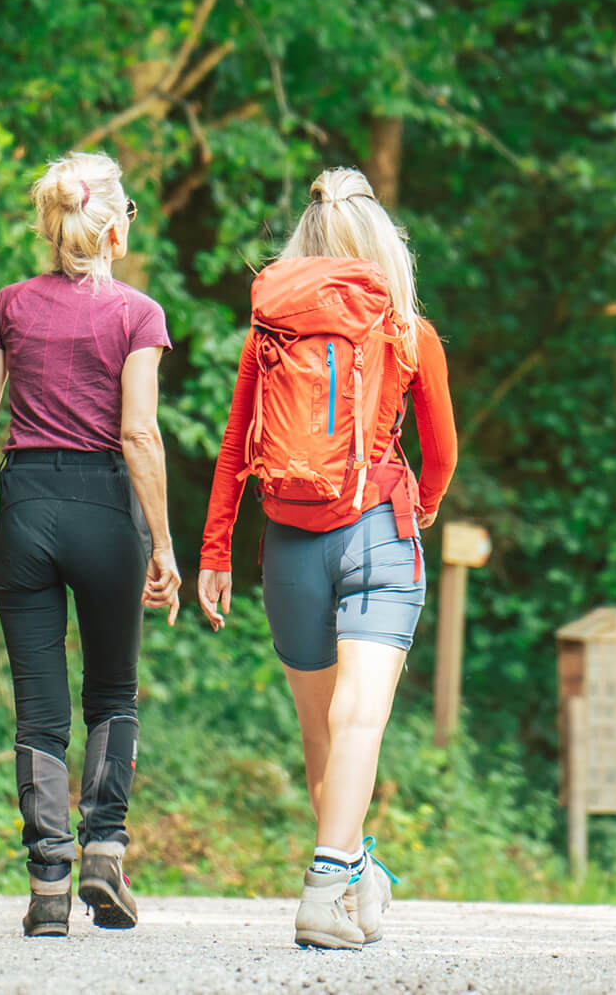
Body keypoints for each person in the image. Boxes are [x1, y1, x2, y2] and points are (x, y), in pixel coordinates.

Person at [0, 151, 182, 938]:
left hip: (24, 512)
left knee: (38, 712)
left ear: (51, 227)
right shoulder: (138, 313)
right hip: (106, 510)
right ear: (116, 228)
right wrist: (163, 540)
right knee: (112, 695)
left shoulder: (8, 307)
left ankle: (48, 888)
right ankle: (104, 845)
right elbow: (139, 432)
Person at [196, 167, 458, 950]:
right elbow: (442, 452)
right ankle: (323, 890)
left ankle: (351, 869)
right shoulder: (409, 330)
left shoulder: (270, 329)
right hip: (379, 529)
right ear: (381, 244)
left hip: (286, 543)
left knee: (322, 729)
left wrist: (217, 550)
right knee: (360, 717)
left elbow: (235, 444)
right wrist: (419, 510)